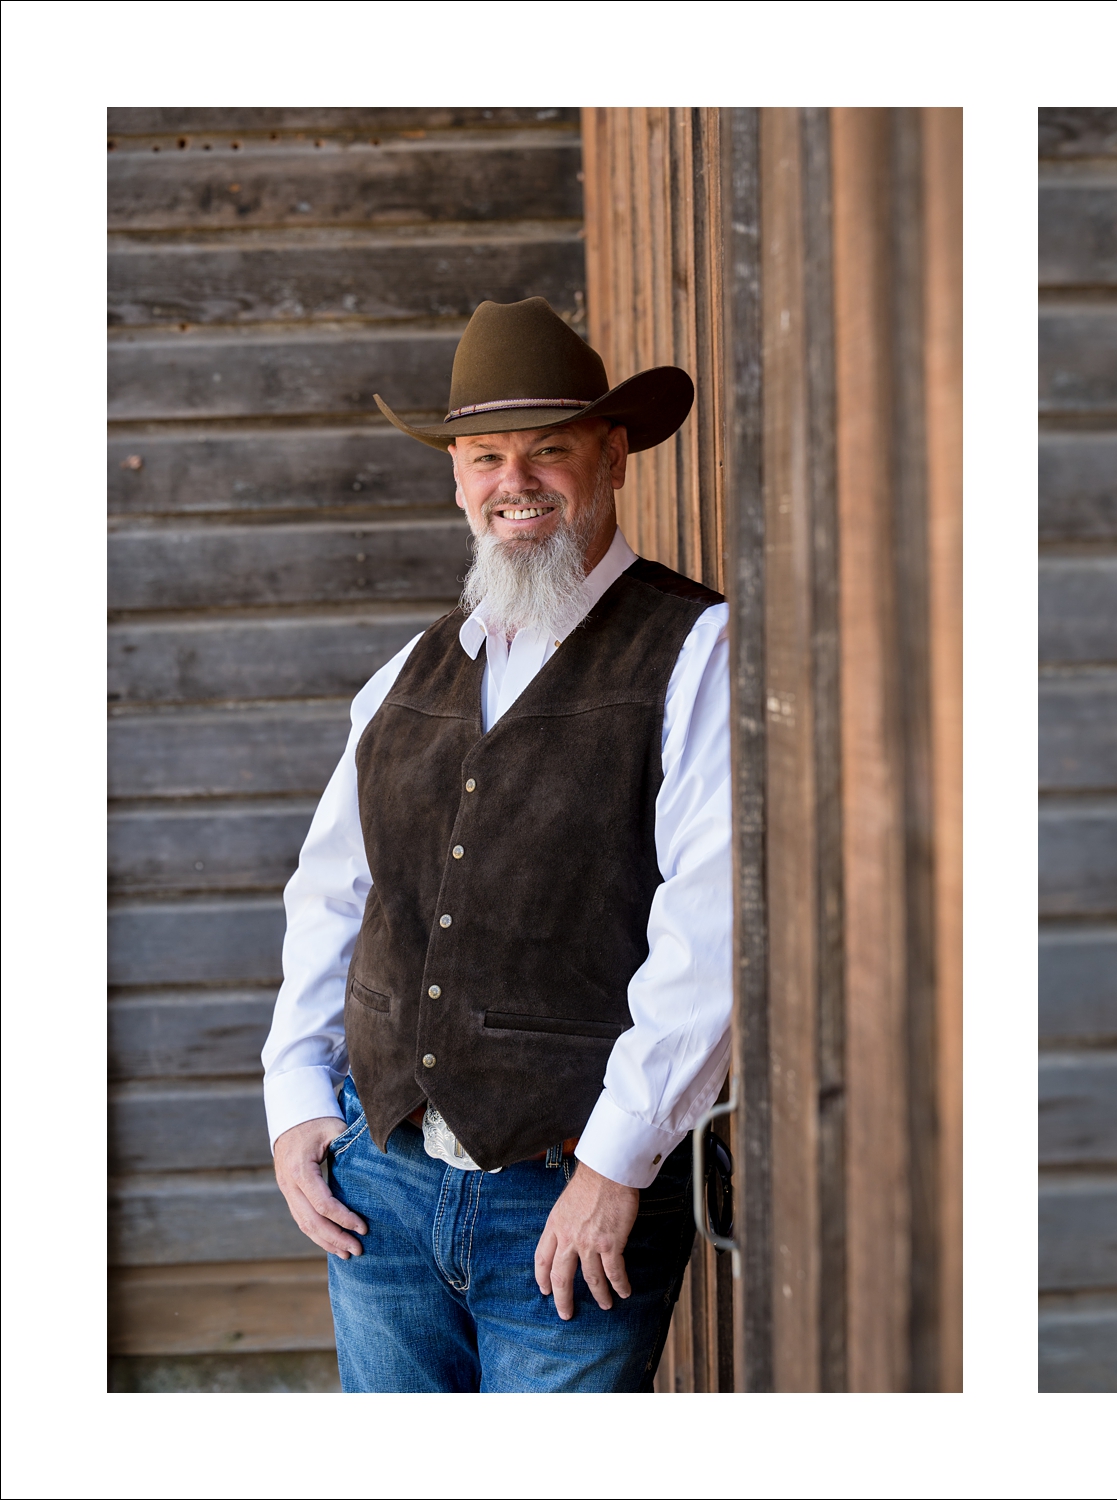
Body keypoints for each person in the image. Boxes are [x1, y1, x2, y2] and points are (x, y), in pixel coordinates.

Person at [259, 297, 732, 1392]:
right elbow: (332, 895)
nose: (512, 482)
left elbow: (708, 927)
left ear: (613, 456)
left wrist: (616, 1165)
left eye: (548, 450)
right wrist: (295, 1102)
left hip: (566, 1205)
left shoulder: (694, 650)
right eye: (483, 456)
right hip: (380, 1189)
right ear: (457, 477)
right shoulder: (406, 675)